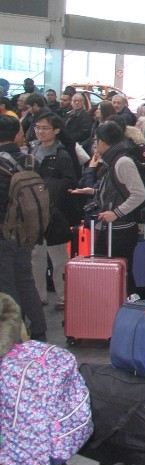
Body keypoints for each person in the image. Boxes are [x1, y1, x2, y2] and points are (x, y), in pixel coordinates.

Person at [73, 121, 145, 292]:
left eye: (95, 140)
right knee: (116, 274)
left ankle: (129, 309)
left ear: (103, 141)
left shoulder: (122, 161)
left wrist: (116, 213)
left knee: (122, 275)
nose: (94, 144)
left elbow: (139, 194)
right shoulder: (112, 160)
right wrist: (92, 191)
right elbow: (115, 190)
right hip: (111, 228)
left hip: (120, 229)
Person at [0, 115, 49, 341]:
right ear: (17, 134)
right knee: (25, 280)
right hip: (26, 231)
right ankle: (38, 329)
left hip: (4, 232)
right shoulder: (29, 160)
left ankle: (16, 334)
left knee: (7, 286)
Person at [29, 113, 77, 310]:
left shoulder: (62, 154)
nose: (40, 131)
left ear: (56, 130)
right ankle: (38, 295)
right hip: (34, 211)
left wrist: (48, 189)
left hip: (55, 213)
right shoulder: (33, 150)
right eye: (38, 127)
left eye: (45, 128)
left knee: (58, 258)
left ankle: (64, 296)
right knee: (36, 256)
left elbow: (69, 182)